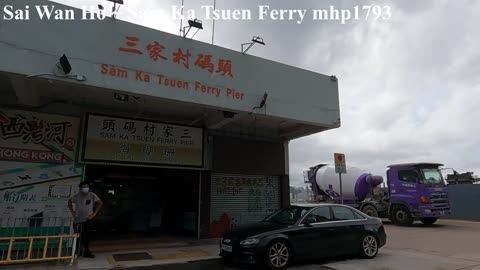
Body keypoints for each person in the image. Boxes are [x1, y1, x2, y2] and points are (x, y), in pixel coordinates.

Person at [68, 182, 103, 258]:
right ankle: (77, 252)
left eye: (87, 187)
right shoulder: (76, 196)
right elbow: (69, 202)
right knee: (77, 237)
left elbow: (100, 203)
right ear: (80, 188)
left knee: (86, 237)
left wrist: (94, 214)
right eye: (84, 187)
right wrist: (72, 212)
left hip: (88, 219)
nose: (86, 188)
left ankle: (87, 252)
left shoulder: (92, 195)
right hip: (78, 220)